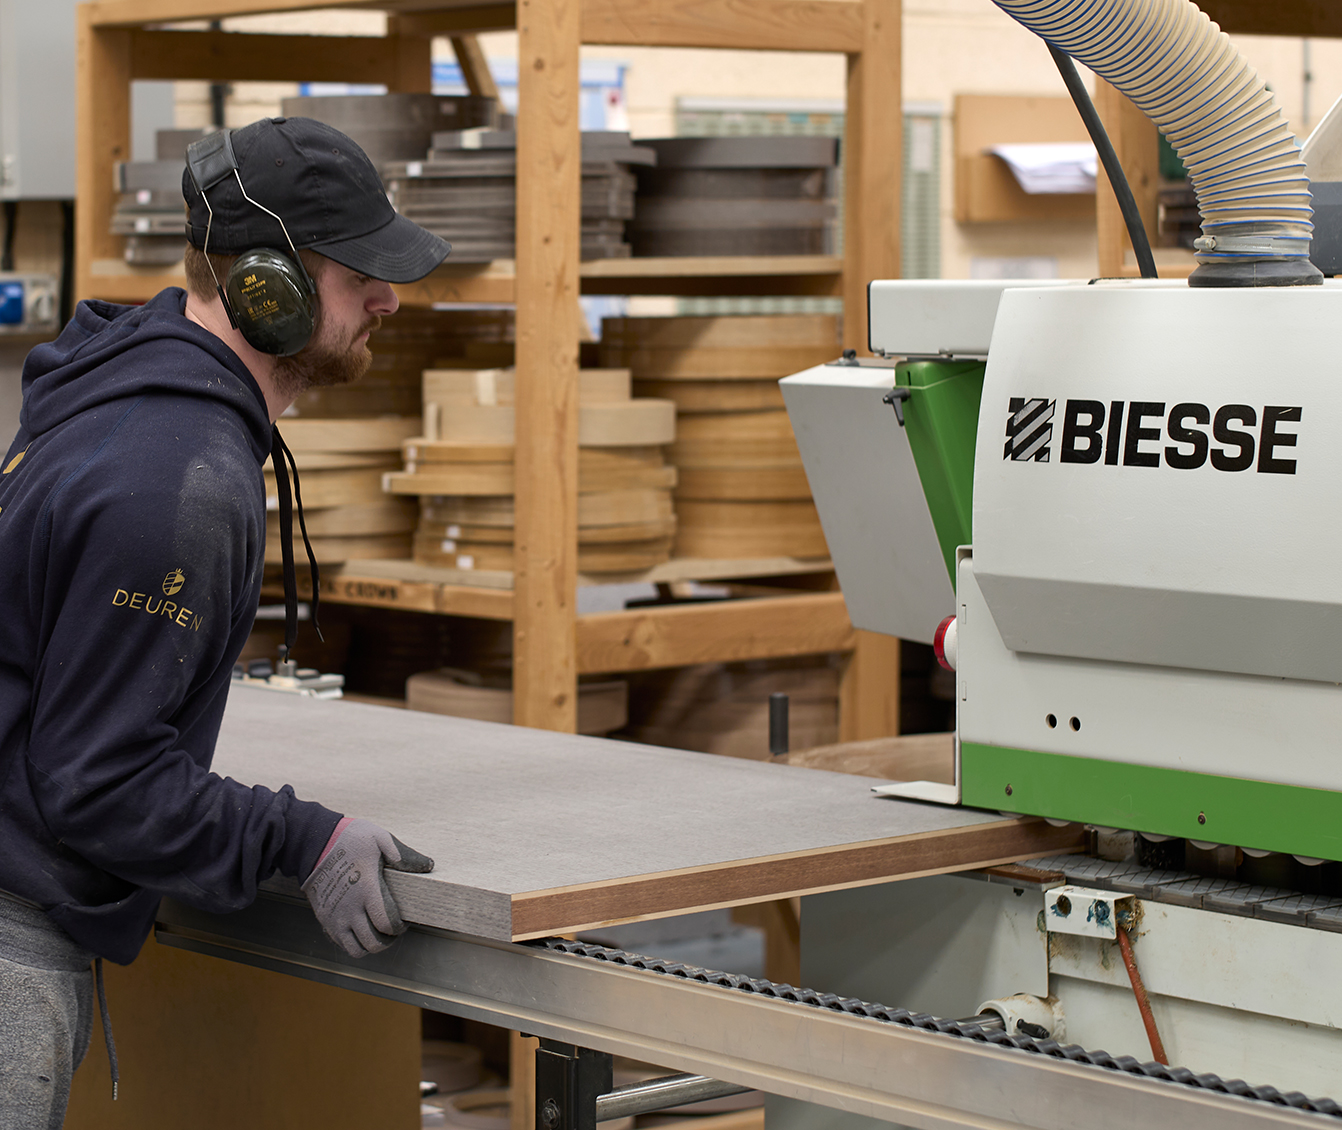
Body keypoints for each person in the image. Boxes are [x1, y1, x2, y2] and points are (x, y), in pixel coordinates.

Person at [0, 116, 450, 1128]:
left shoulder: (122, 392)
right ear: (266, 287)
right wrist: (301, 834)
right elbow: (99, 783)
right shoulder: (178, 474)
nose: (387, 298)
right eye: (356, 275)